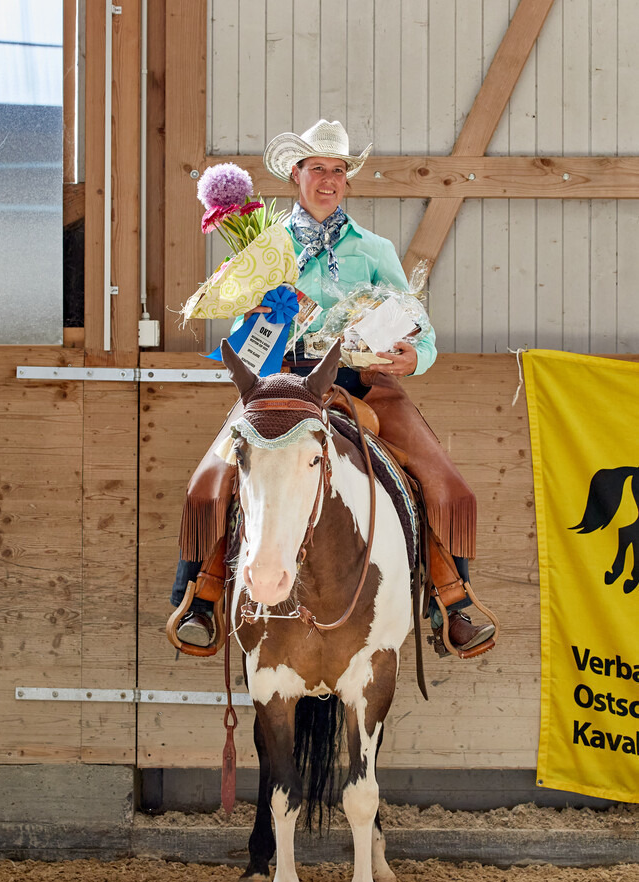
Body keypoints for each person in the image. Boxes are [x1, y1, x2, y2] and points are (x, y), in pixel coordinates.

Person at [172, 119, 495, 657]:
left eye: (338, 170)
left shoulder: (376, 250)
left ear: (347, 179)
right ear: (295, 174)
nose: (329, 179)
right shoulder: (262, 247)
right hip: (281, 383)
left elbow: (418, 326)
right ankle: (199, 597)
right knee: (208, 480)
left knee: (446, 481)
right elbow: (240, 331)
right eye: (317, 168)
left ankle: (451, 601)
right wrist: (257, 317)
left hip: (362, 383)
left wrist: (415, 356)